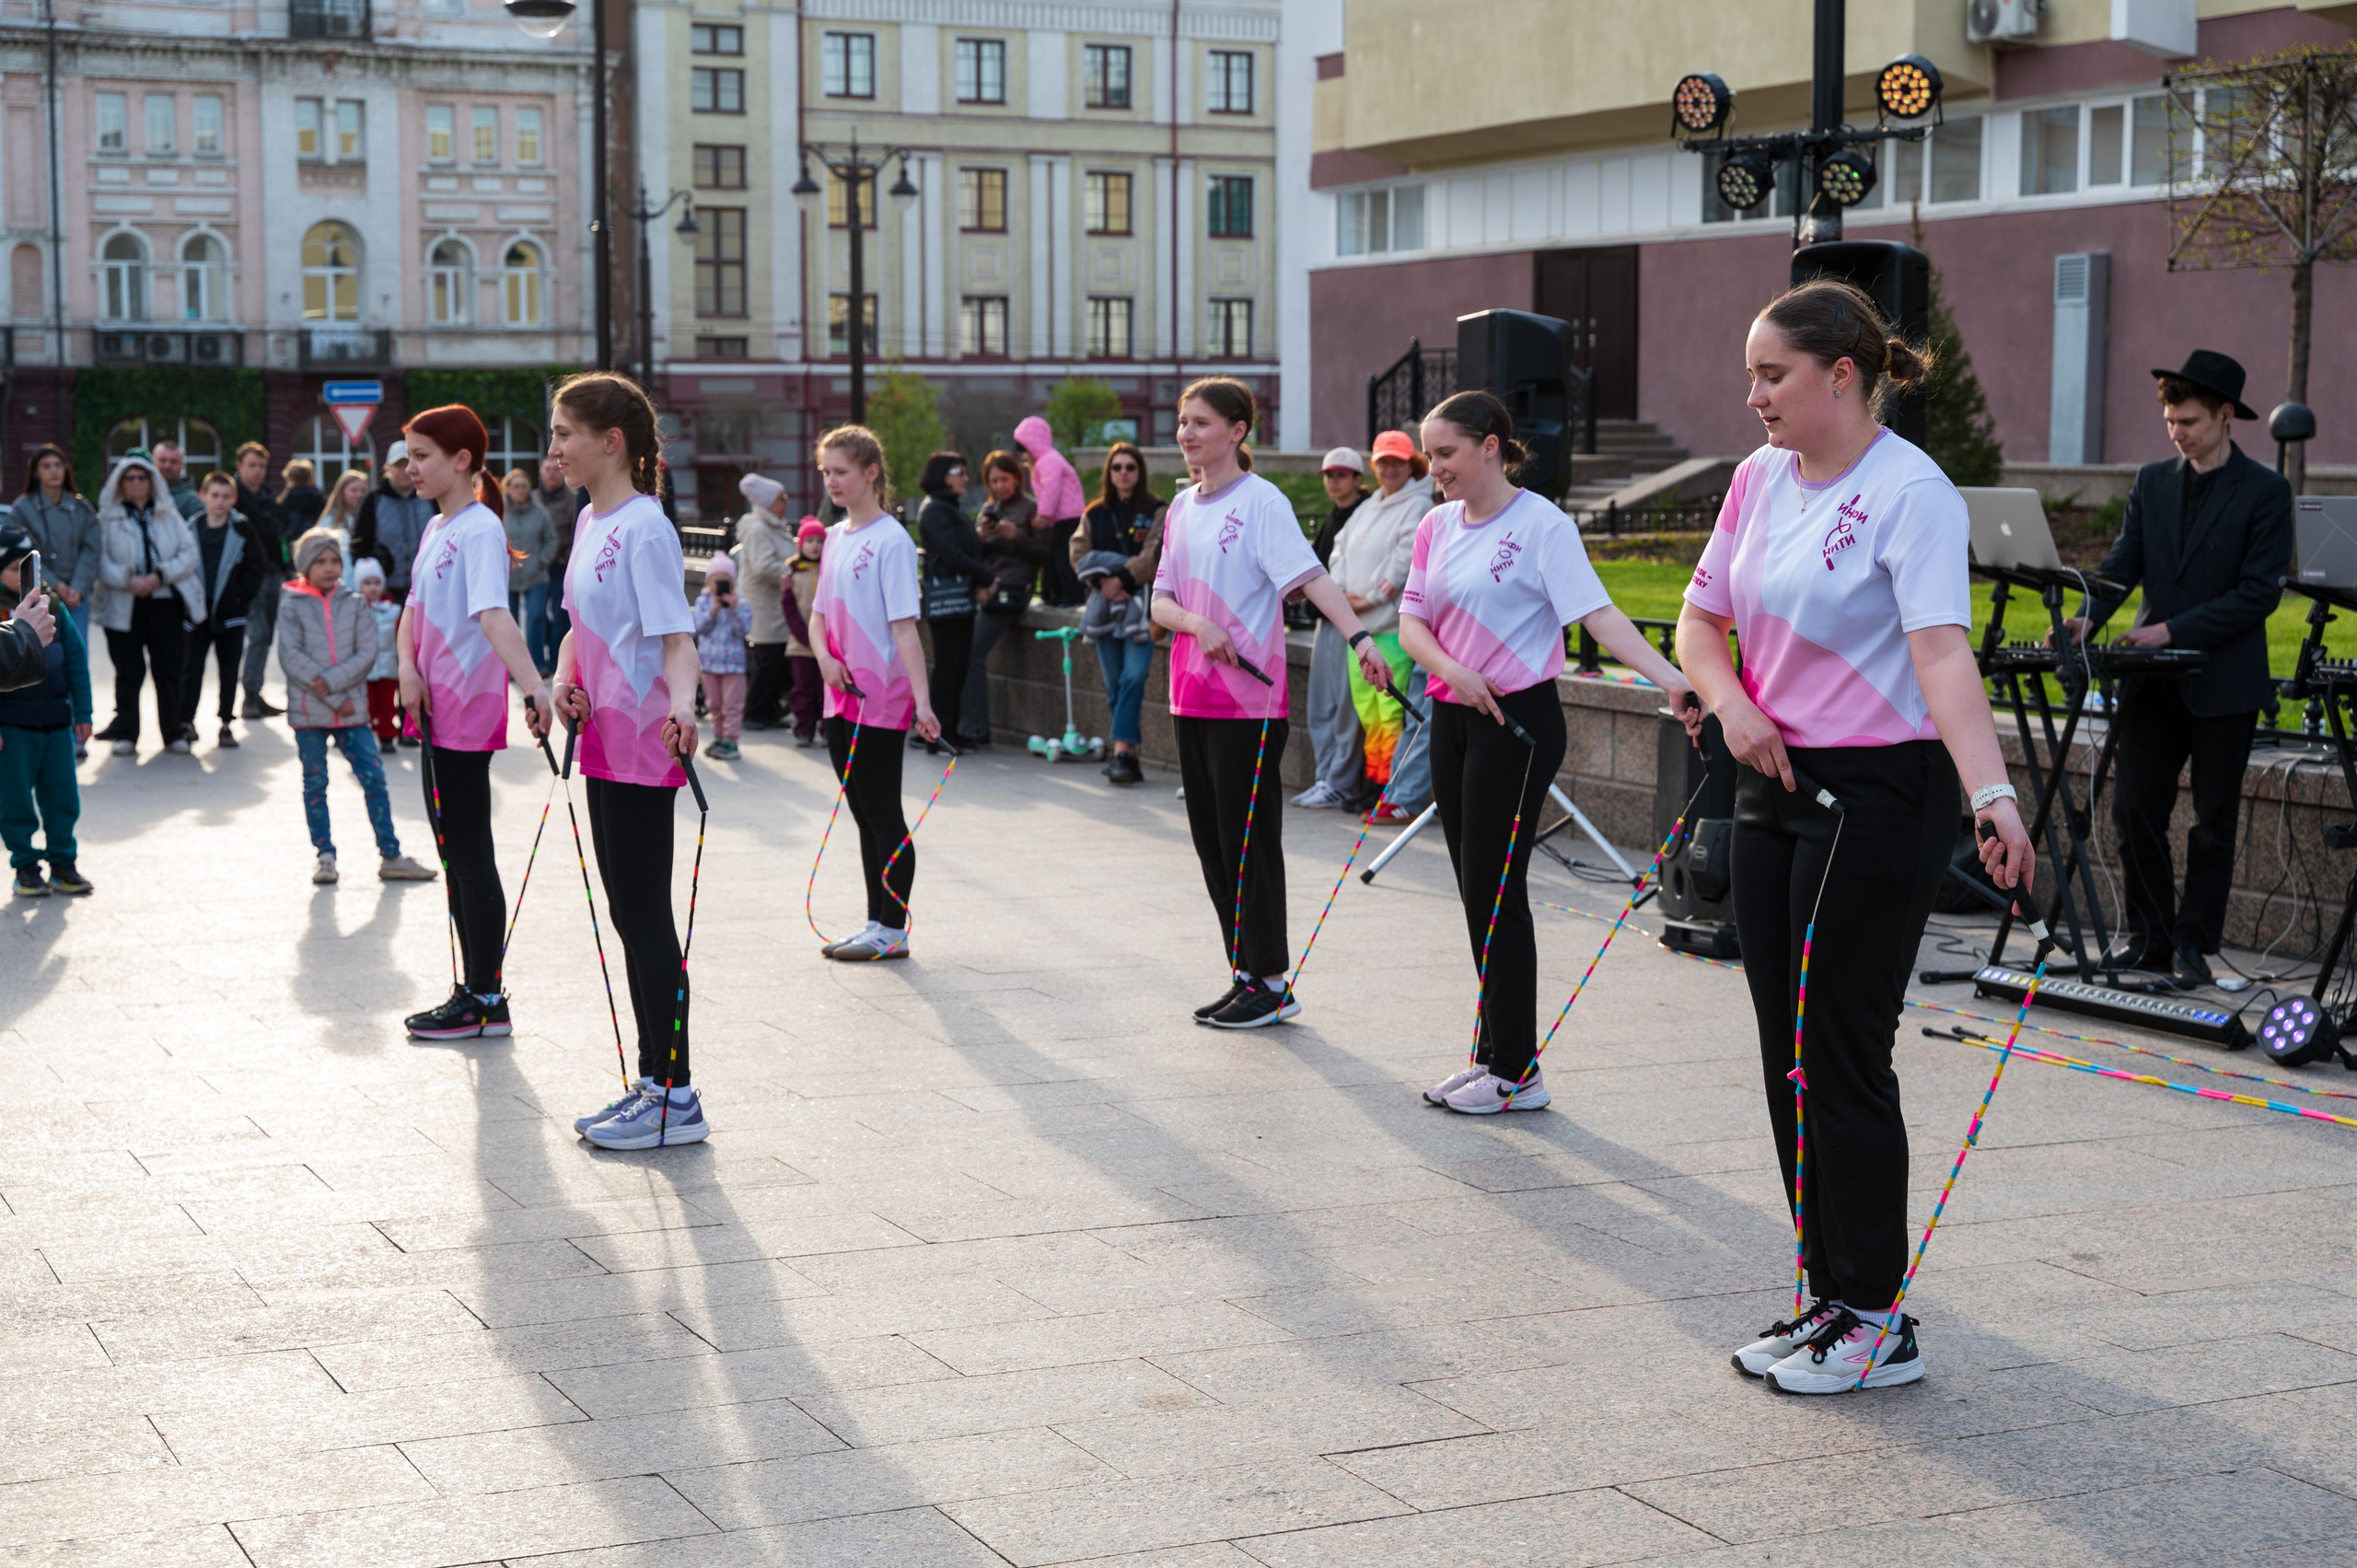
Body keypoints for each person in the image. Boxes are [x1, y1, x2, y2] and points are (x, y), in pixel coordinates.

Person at [1675, 278, 2033, 1395]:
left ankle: (1877, 1314)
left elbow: (1940, 659)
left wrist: (1994, 795)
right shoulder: (1756, 478)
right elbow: (1698, 622)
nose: (1753, 397)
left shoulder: (1909, 492)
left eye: (1772, 374)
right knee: (1785, 1056)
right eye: (1750, 374)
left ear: (1842, 373)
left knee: (1840, 1050)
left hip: (1880, 794)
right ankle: (1826, 1291)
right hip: (1768, 776)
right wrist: (1728, 701)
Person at [1398, 392, 1692, 1115]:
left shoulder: (1542, 525)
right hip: (1454, 712)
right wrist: (1455, 672)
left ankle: (1517, 1071)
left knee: (1496, 888)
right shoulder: (1435, 525)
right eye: (1428, 455)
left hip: (1517, 722)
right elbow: (1411, 623)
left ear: (1491, 445)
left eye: (1446, 454)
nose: (1434, 469)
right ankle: (1493, 1053)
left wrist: (1674, 679)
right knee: (1474, 889)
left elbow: (1597, 615)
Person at [1150, 377, 1393, 1029]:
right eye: (1182, 422)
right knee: (1211, 842)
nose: (1187, 433)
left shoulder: (1262, 503)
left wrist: (1360, 636)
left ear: (1237, 430)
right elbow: (1160, 599)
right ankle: (1244, 971)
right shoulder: (1181, 508)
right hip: (1189, 696)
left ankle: (1273, 980)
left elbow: (1311, 579)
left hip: (1249, 703)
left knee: (1250, 841)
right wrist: (1197, 625)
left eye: (1200, 422)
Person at [2066, 351, 2293, 990]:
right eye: (2170, 420)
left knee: (2213, 823)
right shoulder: (2152, 481)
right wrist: (2089, 614)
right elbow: (2122, 562)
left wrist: (2171, 628)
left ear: (2226, 416)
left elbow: (2258, 594)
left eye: (2189, 419)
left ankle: (2194, 946)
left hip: (2225, 684)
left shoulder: (2268, 492)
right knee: (2133, 809)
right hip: (2152, 682)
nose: (2177, 431)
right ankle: (2151, 941)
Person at [546, 371, 708, 1151]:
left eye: (564, 433)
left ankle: (676, 1092)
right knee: (627, 911)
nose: (555, 449)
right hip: (602, 740)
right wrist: (561, 682)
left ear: (611, 441)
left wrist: (684, 706)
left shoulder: (646, 527)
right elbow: (581, 627)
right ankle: (652, 1082)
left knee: (646, 915)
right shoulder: (588, 520)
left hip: (646, 740)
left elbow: (675, 636)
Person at [395, 406, 552, 1040]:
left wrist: (536, 686)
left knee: (468, 850)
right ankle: (474, 991)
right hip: (431, 703)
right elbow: (411, 607)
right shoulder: (439, 526)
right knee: (452, 848)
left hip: (464, 705)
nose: (411, 468)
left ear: (462, 460)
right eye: (407, 456)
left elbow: (492, 614)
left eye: (422, 455)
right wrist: (406, 667)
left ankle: (485, 996)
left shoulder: (481, 528)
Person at [807, 424, 942, 961]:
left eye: (840, 472)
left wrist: (923, 703)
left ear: (870, 472)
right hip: (837, 692)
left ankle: (894, 928)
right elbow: (818, 616)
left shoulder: (892, 541)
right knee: (861, 812)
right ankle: (874, 922)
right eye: (826, 472)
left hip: (880, 694)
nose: (832, 481)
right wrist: (823, 659)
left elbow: (905, 627)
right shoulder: (836, 537)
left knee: (883, 811)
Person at [278, 528, 435, 887]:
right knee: (315, 784)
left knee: (375, 780)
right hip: (313, 714)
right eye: (320, 561)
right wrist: (335, 697)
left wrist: (333, 686)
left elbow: (367, 654)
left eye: (335, 560)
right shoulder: (291, 604)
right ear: (305, 565)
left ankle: (390, 854)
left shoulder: (354, 603)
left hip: (353, 714)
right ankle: (325, 856)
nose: (330, 568)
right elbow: (291, 657)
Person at [0, 526, 91, 897]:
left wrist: (82, 712)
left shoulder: (51, 607)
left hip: (56, 721)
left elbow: (77, 660)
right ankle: (25, 865)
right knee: (15, 799)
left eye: (29, 568)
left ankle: (63, 862)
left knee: (63, 796)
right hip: (14, 727)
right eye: (13, 569)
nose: (26, 579)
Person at [92, 453, 203, 756]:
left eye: (143, 477)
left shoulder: (170, 515)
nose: (137, 483)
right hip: (123, 603)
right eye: (131, 478)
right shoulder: (107, 519)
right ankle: (126, 732)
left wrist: (160, 576)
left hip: (164, 602)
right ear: (121, 483)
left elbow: (189, 553)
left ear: (152, 481)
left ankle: (173, 733)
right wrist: (128, 580)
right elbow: (98, 560)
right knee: (129, 672)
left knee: (168, 669)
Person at [1073, 442, 1166, 784]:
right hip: (1102, 607)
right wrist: (1104, 582)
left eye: (1130, 467)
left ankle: (1122, 752)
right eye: (1117, 467)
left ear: (1139, 472)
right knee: (1114, 685)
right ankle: (1128, 756)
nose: (1123, 473)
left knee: (1134, 677)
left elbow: (1153, 554)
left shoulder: (1157, 509)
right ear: (1108, 473)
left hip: (1142, 607)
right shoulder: (1094, 512)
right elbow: (1079, 554)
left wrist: (1121, 577)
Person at [1294, 447, 1369, 811]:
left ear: (1357, 478)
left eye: (1342, 475)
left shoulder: (1365, 513)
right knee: (1322, 705)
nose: (1334, 481)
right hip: (1326, 621)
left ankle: (1338, 781)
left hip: (1353, 623)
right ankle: (1326, 778)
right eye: (1329, 475)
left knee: (1344, 709)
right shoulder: (1333, 517)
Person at [958, 451, 1046, 749]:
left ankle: (974, 729)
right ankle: (970, 725)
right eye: (993, 481)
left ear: (1017, 478)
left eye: (1004, 479)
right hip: (988, 588)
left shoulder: (1031, 508)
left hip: (1012, 590)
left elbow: (1043, 555)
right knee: (962, 651)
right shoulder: (989, 509)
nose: (1000, 486)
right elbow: (973, 557)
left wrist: (1017, 535)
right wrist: (978, 537)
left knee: (971, 653)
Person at [175, 470, 267, 750]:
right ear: (203, 496)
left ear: (234, 499)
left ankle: (226, 723)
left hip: (231, 615)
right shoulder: (190, 528)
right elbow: (181, 567)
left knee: (229, 671)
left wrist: (239, 598)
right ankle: (186, 721)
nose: (220, 501)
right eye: (214, 495)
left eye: (226, 496)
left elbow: (256, 567)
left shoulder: (242, 529)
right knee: (191, 669)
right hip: (197, 614)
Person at [916, 450, 993, 755]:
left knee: (959, 664)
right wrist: (988, 577)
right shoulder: (935, 510)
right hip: (947, 600)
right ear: (942, 475)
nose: (965, 477)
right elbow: (952, 554)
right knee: (948, 666)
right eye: (959, 470)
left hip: (959, 598)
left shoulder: (950, 508)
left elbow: (965, 547)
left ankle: (949, 731)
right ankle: (939, 733)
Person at [16, 446, 99, 640]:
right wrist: (54, 584)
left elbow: (92, 549)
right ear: (36, 472)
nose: (54, 470)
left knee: (77, 654)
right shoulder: (22, 509)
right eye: (46, 466)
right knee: (43, 655)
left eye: (58, 465)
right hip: (39, 595)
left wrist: (77, 587)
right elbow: (22, 552)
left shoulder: (80, 506)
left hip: (75, 597)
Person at [733, 474, 795, 730]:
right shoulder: (759, 528)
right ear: (770, 502)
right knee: (767, 661)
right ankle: (754, 712)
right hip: (763, 606)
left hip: (776, 606)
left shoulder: (774, 525)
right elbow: (763, 566)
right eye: (782, 498)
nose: (786, 502)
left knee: (777, 660)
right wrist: (794, 569)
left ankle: (768, 710)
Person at [234, 442, 286, 719]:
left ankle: (256, 692)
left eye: (261, 466)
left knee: (265, 638)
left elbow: (278, 535)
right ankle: (249, 698)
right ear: (239, 466)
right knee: (258, 635)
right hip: (248, 576)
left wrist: (285, 563)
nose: (257, 471)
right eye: (252, 465)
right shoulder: (234, 497)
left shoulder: (267, 496)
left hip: (273, 573)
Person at [1015, 415, 1086, 608]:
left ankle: (1072, 596)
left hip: (1067, 517)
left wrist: (1044, 514)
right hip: (1063, 517)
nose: (1022, 454)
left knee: (1064, 558)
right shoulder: (1047, 460)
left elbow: (1050, 488)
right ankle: (1057, 595)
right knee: (1056, 557)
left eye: (1023, 448)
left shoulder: (1048, 461)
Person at [354, 441, 434, 603]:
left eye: (408, 464)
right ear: (388, 468)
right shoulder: (374, 500)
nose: (405, 471)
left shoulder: (430, 498)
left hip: (425, 590)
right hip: (385, 594)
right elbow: (360, 545)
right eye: (398, 465)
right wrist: (372, 579)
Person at [501, 468, 560, 676]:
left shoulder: (539, 511)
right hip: (507, 577)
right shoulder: (499, 511)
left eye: (524, 486)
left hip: (536, 576)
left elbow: (551, 540)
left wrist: (541, 561)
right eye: (515, 486)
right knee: (510, 622)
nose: (520, 490)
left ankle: (538, 664)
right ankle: (512, 668)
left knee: (536, 617)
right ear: (507, 488)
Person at [692, 553, 751, 760]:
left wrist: (733, 609)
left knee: (732, 705)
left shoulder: (741, 603)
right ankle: (718, 737)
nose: (719, 584)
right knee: (714, 705)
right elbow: (697, 628)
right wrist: (713, 611)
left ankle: (731, 740)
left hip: (733, 666)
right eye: (716, 580)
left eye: (724, 580)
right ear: (709, 581)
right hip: (709, 664)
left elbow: (744, 629)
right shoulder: (703, 601)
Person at [783, 520, 826, 745]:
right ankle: (804, 728)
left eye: (820, 541)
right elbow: (789, 609)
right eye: (810, 540)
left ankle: (827, 727)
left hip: (827, 645)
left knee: (825, 689)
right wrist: (804, 635)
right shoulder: (793, 574)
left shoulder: (828, 571)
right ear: (801, 544)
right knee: (803, 689)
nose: (815, 546)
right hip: (801, 645)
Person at [354, 557, 401, 752]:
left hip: (388, 668)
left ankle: (388, 736)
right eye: (367, 583)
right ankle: (366, 736)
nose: (373, 587)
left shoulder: (394, 611)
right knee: (367, 705)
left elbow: (400, 638)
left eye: (377, 582)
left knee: (387, 704)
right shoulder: (354, 611)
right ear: (359, 586)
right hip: (363, 669)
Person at [537, 454, 580, 656]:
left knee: (560, 614)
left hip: (560, 564)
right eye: (548, 470)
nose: (552, 474)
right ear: (541, 473)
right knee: (537, 614)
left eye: (556, 470)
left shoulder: (573, 500)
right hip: (537, 566)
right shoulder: (532, 499)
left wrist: (567, 555)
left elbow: (577, 533)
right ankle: (543, 650)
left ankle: (556, 658)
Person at [153, 441, 202, 523]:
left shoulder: (192, 502)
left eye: (173, 461)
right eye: (162, 460)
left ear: (183, 465)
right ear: (153, 462)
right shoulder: (140, 496)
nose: (167, 466)